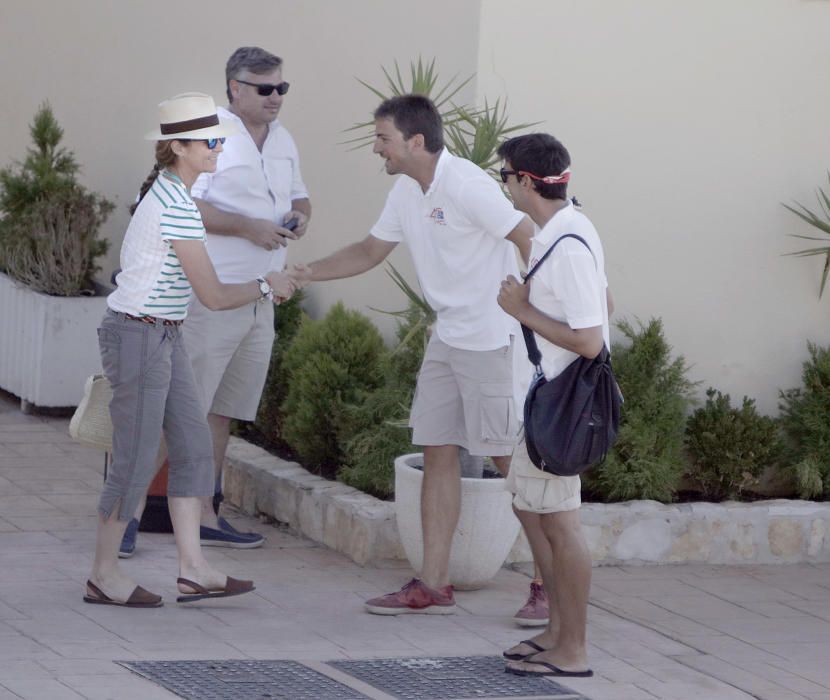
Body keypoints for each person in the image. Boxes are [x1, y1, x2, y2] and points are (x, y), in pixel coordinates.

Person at [290, 94, 534, 615]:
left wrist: (541, 311)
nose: (377, 149)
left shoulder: (467, 184)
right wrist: (305, 272)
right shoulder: (406, 191)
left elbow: (528, 235)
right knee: (437, 451)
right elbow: (369, 251)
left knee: (510, 461)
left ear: (415, 141)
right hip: (447, 338)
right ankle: (433, 583)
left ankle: (549, 586)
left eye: (383, 139)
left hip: (492, 339)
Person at [85, 93, 294, 607]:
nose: (218, 148)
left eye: (219, 139)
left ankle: (194, 568)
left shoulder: (172, 192)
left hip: (164, 331)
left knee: (193, 447)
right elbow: (216, 296)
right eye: (209, 142)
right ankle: (102, 575)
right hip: (140, 335)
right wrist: (268, 286)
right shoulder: (176, 204)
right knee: (134, 463)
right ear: (177, 147)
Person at [185, 46, 310, 548]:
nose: (276, 97)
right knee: (184, 407)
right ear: (235, 87)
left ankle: (206, 515)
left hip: (262, 299)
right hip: (211, 294)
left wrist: (300, 216)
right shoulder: (210, 132)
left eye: (281, 87)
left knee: (221, 410)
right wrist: (246, 228)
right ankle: (126, 516)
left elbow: (300, 195)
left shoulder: (283, 140)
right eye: (265, 89)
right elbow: (183, 205)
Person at [497, 133, 610, 678]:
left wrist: (521, 309)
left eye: (504, 177)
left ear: (523, 180)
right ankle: (556, 632)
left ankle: (574, 650)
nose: (504, 187)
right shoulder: (561, 233)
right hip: (540, 401)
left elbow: (591, 338)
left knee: (561, 525)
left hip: (559, 407)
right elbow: (606, 302)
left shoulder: (566, 242)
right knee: (532, 513)